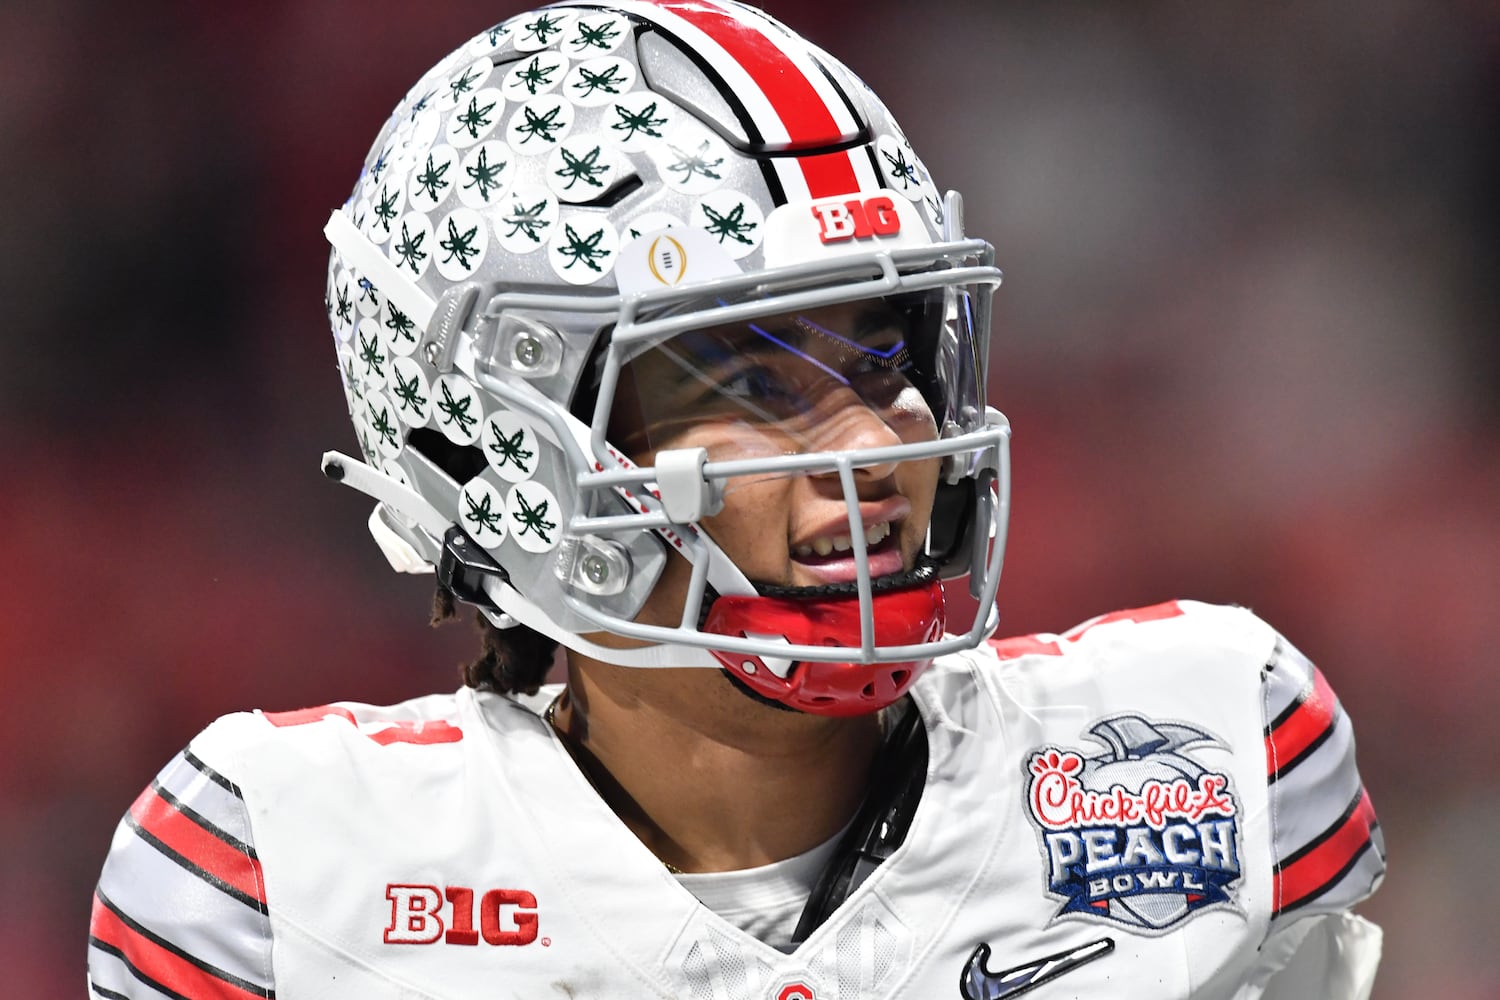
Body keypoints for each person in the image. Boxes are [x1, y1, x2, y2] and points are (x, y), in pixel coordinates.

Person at [87, 2, 1386, 997]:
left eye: (885, 355)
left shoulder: (1207, 761)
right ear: (499, 450)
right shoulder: (282, 878)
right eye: (753, 379)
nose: (878, 440)